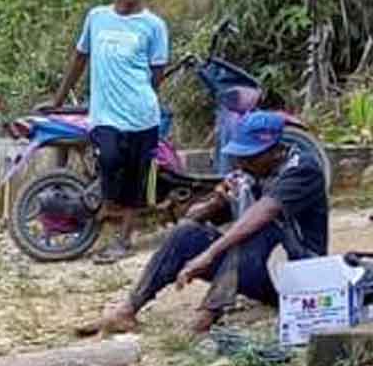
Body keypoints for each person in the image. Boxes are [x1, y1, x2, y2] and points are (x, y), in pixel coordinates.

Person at [76, 110, 329, 337]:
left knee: (256, 230)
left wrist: (208, 255)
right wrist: (216, 201)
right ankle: (128, 309)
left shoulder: (302, 169)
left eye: (249, 157)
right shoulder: (249, 173)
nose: (241, 163)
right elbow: (191, 217)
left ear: (274, 151)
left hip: (298, 274)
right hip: (263, 269)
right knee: (186, 233)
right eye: (240, 157)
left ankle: (205, 318)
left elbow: (263, 213)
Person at [49, 0, 170, 264]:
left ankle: (123, 240)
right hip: (105, 115)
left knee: (134, 181)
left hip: (142, 115)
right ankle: (101, 209)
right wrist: (59, 99)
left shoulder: (154, 25)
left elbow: (157, 74)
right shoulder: (97, 17)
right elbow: (80, 58)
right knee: (110, 158)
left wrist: (135, 94)